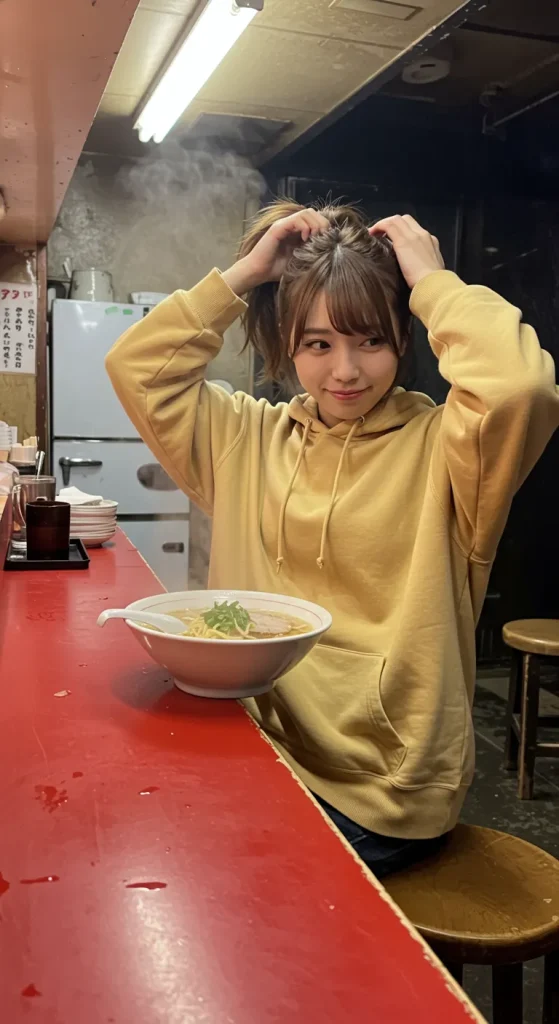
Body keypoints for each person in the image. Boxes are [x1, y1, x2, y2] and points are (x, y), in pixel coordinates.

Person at [106, 202, 559, 879]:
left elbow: (521, 387)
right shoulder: (243, 440)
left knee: (223, 883)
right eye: (317, 344)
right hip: (256, 749)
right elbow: (136, 366)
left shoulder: (450, 454)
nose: (344, 371)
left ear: (402, 341)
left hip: (382, 791)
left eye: (369, 340)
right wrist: (244, 275)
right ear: (286, 346)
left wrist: (432, 282)